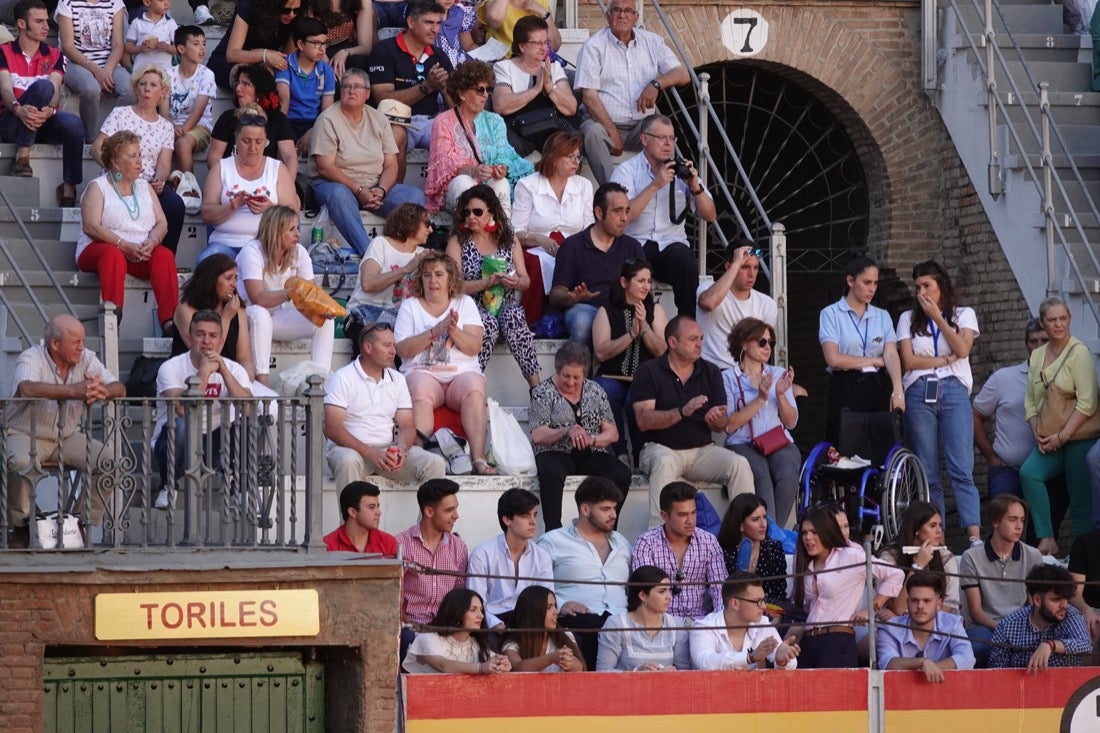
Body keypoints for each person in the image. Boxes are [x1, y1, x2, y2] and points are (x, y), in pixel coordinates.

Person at [4, 315, 124, 545]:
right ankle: (20, 524)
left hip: (66, 435)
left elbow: (120, 387)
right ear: (55, 344)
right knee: (18, 462)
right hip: (23, 432)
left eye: (83, 340)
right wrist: (75, 391)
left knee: (111, 463)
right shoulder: (32, 356)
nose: (82, 347)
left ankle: (79, 524)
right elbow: (26, 388)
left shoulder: (86, 358)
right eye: (75, 341)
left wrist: (103, 391)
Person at [629, 315, 753, 525]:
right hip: (659, 448)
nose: (700, 344)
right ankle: (658, 542)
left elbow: (721, 424)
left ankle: (745, 534)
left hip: (702, 451)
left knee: (739, 464)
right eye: (693, 339)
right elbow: (643, 420)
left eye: (701, 338)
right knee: (665, 462)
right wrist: (681, 412)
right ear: (673, 342)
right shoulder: (648, 371)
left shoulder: (711, 371)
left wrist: (715, 420)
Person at [898, 260, 981, 544]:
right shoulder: (907, 319)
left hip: (954, 391)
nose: (922, 292)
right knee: (928, 468)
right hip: (919, 392)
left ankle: (974, 536)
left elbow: (963, 348)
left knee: (961, 466)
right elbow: (908, 361)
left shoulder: (964, 314)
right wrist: (945, 360)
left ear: (941, 286)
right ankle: (936, 537)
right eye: (918, 287)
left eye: (927, 286)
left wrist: (938, 318)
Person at [394, 250, 494, 475]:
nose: (433, 280)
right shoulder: (410, 306)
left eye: (439, 274)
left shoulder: (465, 303)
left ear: (450, 278)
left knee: (474, 388)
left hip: (461, 374)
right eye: (427, 275)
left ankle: (478, 458)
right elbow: (402, 349)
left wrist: (452, 330)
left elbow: (474, 346)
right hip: (424, 373)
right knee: (418, 387)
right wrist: (434, 331)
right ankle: (417, 453)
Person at [309, 68, 426, 257]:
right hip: (337, 185)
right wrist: (358, 190)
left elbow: (391, 164)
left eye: (357, 87)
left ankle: (399, 252)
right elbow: (325, 167)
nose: (351, 91)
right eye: (346, 86)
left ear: (368, 93)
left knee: (414, 196)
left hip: (373, 187)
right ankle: (370, 254)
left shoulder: (379, 119)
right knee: (339, 195)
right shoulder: (327, 119)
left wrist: (382, 190)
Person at [611, 114, 714, 320]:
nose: (668, 144)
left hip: (671, 245)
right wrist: (655, 185)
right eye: (661, 138)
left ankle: (687, 326)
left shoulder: (682, 171)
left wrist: (695, 187)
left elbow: (710, 215)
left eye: (672, 138)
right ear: (644, 140)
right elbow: (622, 217)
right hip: (637, 244)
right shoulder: (626, 171)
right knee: (631, 263)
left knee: (684, 259)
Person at [574, 0, 688, 185]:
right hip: (603, 124)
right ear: (607, 15)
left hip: (640, 126)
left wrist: (656, 84)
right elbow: (589, 96)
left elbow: (682, 74)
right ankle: (612, 190)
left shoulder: (652, 42)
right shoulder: (593, 46)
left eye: (628, 11)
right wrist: (612, 131)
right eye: (616, 10)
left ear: (636, 17)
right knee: (592, 132)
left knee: (663, 132)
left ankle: (665, 189)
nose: (622, 15)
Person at [78, 130, 180, 333]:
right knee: (113, 255)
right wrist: (123, 245)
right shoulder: (97, 187)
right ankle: (112, 314)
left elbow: (162, 223)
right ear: (115, 162)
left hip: (139, 252)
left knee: (164, 255)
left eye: (140, 155)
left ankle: (169, 321)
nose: (139, 161)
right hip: (100, 250)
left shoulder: (144, 186)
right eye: (132, 156)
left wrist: (153, 241)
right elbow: (91, 226)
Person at [323, 320, 446, 487]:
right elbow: (332, 427)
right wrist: (370, 453)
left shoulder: (398, 379)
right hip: (350, 450)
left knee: (435, 464)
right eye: (387, 345)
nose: (393, 351)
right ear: (368, 347)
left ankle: (427, 514)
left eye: (394, 345)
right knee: (348, 461)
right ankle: (349, 514)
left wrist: (401, 449)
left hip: (387, 450)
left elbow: (408, 426)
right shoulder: (342, 378)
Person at [1020, 295, 1099, 555]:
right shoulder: (1038, 355)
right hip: (1048, 435)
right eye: (1052, 320)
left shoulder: (1080, 353)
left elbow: (1087, 403)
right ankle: (1047, 538)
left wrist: (1062, 437)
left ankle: (1079, 556)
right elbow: (1031, 399)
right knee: (1029, 473)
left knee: (1079, 500)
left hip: (1078, 435)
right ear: (1043, 323)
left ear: (1070, 320)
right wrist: (1035, 429)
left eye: (1062, 318)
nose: (1058, 324)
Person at [152, 309, 252, 509]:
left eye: (213, 336)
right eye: (200, 334)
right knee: (180, 425)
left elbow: (247, 409)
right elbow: (181, 409)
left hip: (214, 443)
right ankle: (168, 486)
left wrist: (223, 371)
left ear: (221, 342)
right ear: (189, 339)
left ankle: (240, 490)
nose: (206, 341)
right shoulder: (171, 367)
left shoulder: (234, 370)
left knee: (247, 427)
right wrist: (204, 372)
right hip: (176, 442)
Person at [530, 342, 631, 531]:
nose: (570, 382)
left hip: (590, 452)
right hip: (555, 451)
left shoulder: (595, 390)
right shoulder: (543, 392)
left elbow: (612, 433)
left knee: (621, 473)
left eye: (576, 377)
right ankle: (553, 531)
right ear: (557, 371)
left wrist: (592, 439)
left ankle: (607, 527)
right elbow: (538, 434)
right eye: (566, 376)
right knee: (550, 470)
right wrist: (566, 431)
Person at [973, 318, 1064, 530]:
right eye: (1033, 341)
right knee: (1003, 523)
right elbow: (975, 415)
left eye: (1044, 340)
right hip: (1008, 469)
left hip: (1048, 469)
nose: (1039, 346)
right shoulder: (1004, 378)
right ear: (1026, 345)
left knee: (1040, 533)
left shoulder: (1065, 378)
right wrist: (990, 455)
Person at [445, 184, 539, 387]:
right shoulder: (458, 241)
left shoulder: (508, 238)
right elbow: (453, 287)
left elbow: (526, 280)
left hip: (503, 302)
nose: (471, 217)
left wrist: (515, 282)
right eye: (467, 212)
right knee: (486, 323)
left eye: (477, 212)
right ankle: (474, 383)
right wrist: (485, 283)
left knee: (514, 315)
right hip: (471, 305)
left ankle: (537, 388)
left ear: (491, 213)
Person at [536, 476, 632, 671]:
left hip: (621, 620)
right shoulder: (552, 541)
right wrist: (561, 606)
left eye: (614, 508)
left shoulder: (622, 542)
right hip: (577, 621)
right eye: (605, 509)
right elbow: (536, 587)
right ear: (585, 509)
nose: (613, 515)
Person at [792, 503, 904, 669]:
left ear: (826, 531)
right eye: (804, 533)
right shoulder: (806, 563)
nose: (808, 537)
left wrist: (872, 608)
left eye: (814, 532)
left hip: (838, 639)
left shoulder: (851, 555)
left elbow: (895, 574)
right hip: (808, 641)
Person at [236, 205, 336, 385]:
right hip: (247, 316)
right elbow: (257, 297)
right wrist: (290, 293)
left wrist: (323, 308)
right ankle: (262, 382)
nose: (298, 234)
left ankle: (320, 383)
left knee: (325, 321)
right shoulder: (252, 251)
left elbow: (310, 294)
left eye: (297, 228)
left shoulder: (300, 252)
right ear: (275, 231)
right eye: (291, 230)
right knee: (260, 313)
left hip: (278, 316)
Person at [91, 65, 184, 255]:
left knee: (175, 205)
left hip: (146, 184)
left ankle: (164, 256)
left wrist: (160, 179)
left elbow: (165, 163)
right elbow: (96, 147)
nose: (147, 89)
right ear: (135, 89)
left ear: (163, 92)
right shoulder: (120, 114)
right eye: (142, 84)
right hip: (117, 179)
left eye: (153, 85)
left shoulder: (166, 127)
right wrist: (115, 171)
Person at [0, 0, 83, 205]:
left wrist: (47, 112)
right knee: (42, 87)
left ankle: (69, 188)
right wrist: (19, 110)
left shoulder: (55, 55)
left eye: (46, 21)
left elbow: (54, 90)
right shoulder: (3, 52)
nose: (46, 27)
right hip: (12, 121)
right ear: (21, 23)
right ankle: (23, 155)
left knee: (73, 124)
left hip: (43, 119)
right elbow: (4, 89)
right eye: (38, 21)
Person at [424, 59, 533, 215]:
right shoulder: (443, 121)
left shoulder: (494, 120)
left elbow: (504, 153)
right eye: (479, 90)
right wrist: (472, 171)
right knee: (465, 183)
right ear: (461, 93)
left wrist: (500, 168)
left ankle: (503, 233)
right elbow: (445, 164)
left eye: (488, 90)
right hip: (457, 186)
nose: (485, 95)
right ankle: (469, 234)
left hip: (487, 183)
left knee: (500, 182)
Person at [819, 254, 905, 444]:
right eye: (866, 282)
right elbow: (833, 358)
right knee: (845, 445)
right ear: (850, 281)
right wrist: (873, 360)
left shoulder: (882, 316)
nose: (872, 289)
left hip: (878, 385)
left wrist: (898, 391)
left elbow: (891, 353)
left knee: (881, 444)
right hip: (846, 385)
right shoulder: (831, 313)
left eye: (875, 283)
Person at [722, 317, 800, 528]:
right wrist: (761, 399)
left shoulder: (777, 374)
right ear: (744, 344)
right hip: (743, 442)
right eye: (762, 342)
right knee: (762, 479)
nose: (768, 347)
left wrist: (781, 395)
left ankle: (773, 535)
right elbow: (730, 425)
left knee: (788, 477)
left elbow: (791, 422)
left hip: (777, 441)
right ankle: (771, 538)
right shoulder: (728, 377)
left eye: (771, 343)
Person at [367, 0, 453, 180]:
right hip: (398, 121)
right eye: (429, 22)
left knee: (456, 135)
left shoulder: (439, 55)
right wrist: (427, 87)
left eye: (438, 23)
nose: (435, 29)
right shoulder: (385, 49)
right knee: (396, 135)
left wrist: (445, 89)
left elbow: (455, 108)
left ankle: (448, 198)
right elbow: (383, 99)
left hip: (431, 121)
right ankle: (395, 196)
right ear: (411, 22)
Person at [200, 104, 297, 263]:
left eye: (259, 142)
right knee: (207, 262)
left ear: (266, 141)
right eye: (246, 141)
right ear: (236, 139)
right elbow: (206, 213)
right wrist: (231, 206)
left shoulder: (277, 169)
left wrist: (271, 210)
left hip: (266, 244)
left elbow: (293, 213)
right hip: (225, 244)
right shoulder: (221, 167)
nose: (253, 148)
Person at [592, 259, 668, 461]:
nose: (646, 286)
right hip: (612, 376)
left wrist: (644, 329)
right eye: (641, 281)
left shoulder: (656, 311)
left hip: (645, 379)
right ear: (624, 282)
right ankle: (620, 453)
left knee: (635, 400)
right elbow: (601, 352)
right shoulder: (606, 311)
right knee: (604, 391)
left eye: (649, 281)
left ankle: (641, 454)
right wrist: (631, 334)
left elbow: (663, 351)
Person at [550, 182, 644, 344]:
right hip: (585, 308)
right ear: (599, 213)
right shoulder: (572, 246)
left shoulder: (633, 247)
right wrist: (573, 296)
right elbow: (556, 295)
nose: (625, 218)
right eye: (617, 211)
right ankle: (576, 369)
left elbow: (645, 286)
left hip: (621, 309)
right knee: (582, 323)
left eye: (627, 211)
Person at [511, 132, 594, 314]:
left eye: (578, 157)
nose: (576, 161)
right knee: (541, 262)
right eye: (570, 157)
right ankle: (533, 320)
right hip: (533, 248)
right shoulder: (528, 185)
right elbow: (515, 233)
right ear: (554, 158)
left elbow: (590, 229)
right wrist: (540, 239)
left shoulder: (584, 185)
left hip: (573, 247)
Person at [958, 494, 1043, 667]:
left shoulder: (1033, 555)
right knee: (978, 646)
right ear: (996, 522)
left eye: (1022, 520)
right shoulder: (972, 557)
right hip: (985, 626)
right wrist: (1003, 629)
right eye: (1012, 520)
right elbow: (975, 611)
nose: (1019, 526)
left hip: (1023, 625)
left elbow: (1033, 604)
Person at [632, 481, 727, 619]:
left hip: (700, 624)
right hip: (660, 623)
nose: (690, 521)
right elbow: (646, 591)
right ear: (664, 516)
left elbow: (720, 589)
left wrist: (718, 625)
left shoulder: (709, 541)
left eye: (693, 513)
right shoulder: (646, 543)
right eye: (682, 515)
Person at [344, 203, 431, 349]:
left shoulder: (423, 254)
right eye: (427, 224)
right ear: (410, 222)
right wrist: (406, 269)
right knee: (380, 340)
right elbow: (368, 283)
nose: (431, 229)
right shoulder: (381, 244)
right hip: (364, 314)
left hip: (399, 320)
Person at [491, 16, 577, 157]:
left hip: (550, 125)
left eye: (546, 42)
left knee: (573, 139)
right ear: (522, 46)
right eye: (538, 43)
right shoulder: (504, 67)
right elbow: (500, 105)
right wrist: (536, 89)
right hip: (518, 127)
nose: (544, 48)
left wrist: (549, 87)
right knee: (510, 146)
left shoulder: (554, 67)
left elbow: (571, 107)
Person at [467, 488, 554, 628]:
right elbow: (476, 603)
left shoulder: (542, 557)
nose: (533, 522)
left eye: (535, 515)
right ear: (507, 519)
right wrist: (496, 625)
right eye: (526, 516)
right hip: (492, 621)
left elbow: (546, 600)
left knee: (572, 640)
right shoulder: (482, 554)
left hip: (529, 623)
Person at [396, 479, 468, 646]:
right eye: (449, 510)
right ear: (429, 511)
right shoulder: (401, 545)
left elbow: (459, 596)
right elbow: (393, 600)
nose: (456, 516)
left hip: (447, 630)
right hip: (411, 629)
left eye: (456, 508)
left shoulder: (459, 547)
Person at [989, 564, 1091, 671]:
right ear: (1037, 600)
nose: (1064, 605)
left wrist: (1050, 645)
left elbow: (1085, 646)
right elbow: (996, 671)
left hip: (1068, 685)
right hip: (1021, 686)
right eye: (1056, 600)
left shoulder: (1070, 614)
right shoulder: (1008, 626)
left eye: (1066, 598)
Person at [690, 572, 800, 670]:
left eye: (763, 600)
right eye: (757, 601)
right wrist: (750, 657)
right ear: (734, 603)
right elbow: (705, 662)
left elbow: (786, 660)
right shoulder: (704, 626)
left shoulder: (762, 624)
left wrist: (782, 661)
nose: (763, 606)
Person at [875, 571, 975, 681]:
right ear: (907, 603)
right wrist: (923, 662)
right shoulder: (890, 628)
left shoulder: (952, 623)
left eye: (927, 601)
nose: (920, 606)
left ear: (938, 604)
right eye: (914, 601)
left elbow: (967, 658)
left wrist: (933, 667)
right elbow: (887, 662)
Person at [56, 0, 132, 141]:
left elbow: (118, 44)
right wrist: (97, 71)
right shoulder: (66, 3)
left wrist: (107, 70)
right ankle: (89, 138)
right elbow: (68, 47)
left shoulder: (115, 3)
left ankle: (108, 135)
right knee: (91, 88)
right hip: (76, 62)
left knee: (131, 89)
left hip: (109, 63)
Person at [171, 254, 255, 381]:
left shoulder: (238, 310)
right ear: (211, 280)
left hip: (230, 377)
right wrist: (226, 318)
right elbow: (205, 355)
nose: (234, 284)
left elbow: (244, 357)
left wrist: (246, 378)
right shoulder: (185, 310)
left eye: (235, 278)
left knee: (271, 400)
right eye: (228, 278)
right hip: (192, 378)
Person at [697, 242, 777, 371]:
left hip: (747, 372)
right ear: (729, 267)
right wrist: (736, 264)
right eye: (745, 267)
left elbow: (763, 348)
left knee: (797, 391)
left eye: (755, 267)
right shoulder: (707, 287)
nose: (751, 274)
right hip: (712, 371)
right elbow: (708, 303)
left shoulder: (767, 304)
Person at [208, 64, 298, 178]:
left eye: (245, 84)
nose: (238, 88)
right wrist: (228, 180)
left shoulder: (277, 119)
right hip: (232, 181)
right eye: (238, 83)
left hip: (268, 182)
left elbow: (290, 157)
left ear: (260, 89)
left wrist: (287, 185)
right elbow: (214, 157)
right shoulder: (228, 118)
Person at [596, 564, 691, 671]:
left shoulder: (675, 625)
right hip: (627, 687)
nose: (669, 597)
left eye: (669, 590)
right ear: (643, 596)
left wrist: (672, 672)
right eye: (662, 591)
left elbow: (685, 670)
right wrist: (637, 672)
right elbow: (603, 671)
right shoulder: (616, 624)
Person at [878, 501, 960, 616]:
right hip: (900, 629)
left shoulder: (945, 557)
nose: (939, 531)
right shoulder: (890, 557)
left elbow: (947, 609)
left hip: (937, 627)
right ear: (916, 529)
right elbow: (898, 608)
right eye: (932, 526)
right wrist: (917, 566)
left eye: (939, 525)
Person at [403, 588, 512, 674]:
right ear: (456, 612)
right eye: (473, 610)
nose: (481, 615)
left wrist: (502, 664)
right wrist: (481, 668)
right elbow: (444, 665)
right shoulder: (428, 639)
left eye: (481, 610)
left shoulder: (477, 645)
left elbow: (494, 662)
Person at [715, 493, 789, 606]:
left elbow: (779, 592)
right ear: (740, 525)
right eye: (755, 519)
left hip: (767, 611)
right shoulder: (723, 551)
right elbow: (720, 593)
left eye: (764, 517)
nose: (763, 524)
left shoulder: (774, 548)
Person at [208, 0, 299, 89]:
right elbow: (232, 54)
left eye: (296, 10)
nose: (291, 15)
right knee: (252, 77)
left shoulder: (297, 18)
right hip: (229, 62)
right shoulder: (249, 6)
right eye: (286, 10)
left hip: (265, 64)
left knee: (276, 75)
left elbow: (286, 60)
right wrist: (264, 54)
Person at [275, 16, 335, 150]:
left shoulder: (327, 71)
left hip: (315, 122)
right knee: (283, 146)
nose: (322, 49)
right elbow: (284, 101)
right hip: (289, 121)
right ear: (301, 44)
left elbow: (327, 111)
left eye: (324, 43)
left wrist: (313, 131)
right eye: (316, 43)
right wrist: (282, 132)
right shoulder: (285, 65)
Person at [163, 25, 215, 174]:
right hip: (170, 126)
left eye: (204, 44)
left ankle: (189, 189)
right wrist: (171, 128)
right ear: (181, 49)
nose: (202, 48)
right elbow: (164, 112)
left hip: (199, 126)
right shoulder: (168, 73)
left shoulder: (207, 75)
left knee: (182, 144)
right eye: (196, 44)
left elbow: (197, 113)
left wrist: (182, 131)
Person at [502, 585, 585, 672]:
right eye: (549, 607)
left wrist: (569, 663)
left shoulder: (565, 635)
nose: (556, 612)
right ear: (533, 613)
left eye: (555, 606)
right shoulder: (512, 643)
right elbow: (518, 667)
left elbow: (580, 667)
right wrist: (551, 658)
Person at [323, 480, 399, 555]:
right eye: (371, 507)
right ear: (352, 512)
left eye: (378, 506)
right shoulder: (327, 547)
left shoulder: (389, 543)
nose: (379, 512)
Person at [311, 0, 374, 77]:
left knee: (357, 63)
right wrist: (327, 64)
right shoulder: (312, 2)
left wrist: (345, 52)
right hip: (317, 49)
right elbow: (308, 35)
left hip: (348, 49)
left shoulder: (363, 1)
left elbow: (366, 47)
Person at [477, 0, 560, 55]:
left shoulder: (540, 2)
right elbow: (495, 20)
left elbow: (555, 45)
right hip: (503, 61)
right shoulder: (496, 2)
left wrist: (543, 13)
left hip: (535, 61)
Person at [123, 0, 178, 76]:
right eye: (161, 0)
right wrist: (140, 48)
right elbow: (128, 48)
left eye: (168, 0)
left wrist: (167, 47)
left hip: (164, 72)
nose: (167, 4)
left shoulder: (170, 23)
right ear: (147, 2)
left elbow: (178, 48)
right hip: (141, 71)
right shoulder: (137, 22)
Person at [1068, 527, 1100, 641]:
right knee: (1091, 628)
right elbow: (1074, 592)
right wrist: (1087, 610)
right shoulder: (1084, 542)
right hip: (1092, 610)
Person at [433, 0, 475, 69]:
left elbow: (468, 45)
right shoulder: (425, 17)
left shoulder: (460, 13)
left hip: (460, 64)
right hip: (437, 64)